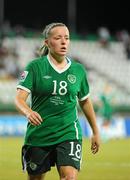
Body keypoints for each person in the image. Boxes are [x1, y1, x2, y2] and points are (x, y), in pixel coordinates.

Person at [15, 22, 100, 180]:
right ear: (47, 42)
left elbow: (85, 102)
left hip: (69, 132)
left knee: (69, 177)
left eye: (66, 38)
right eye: (58, 38)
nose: (63, 42)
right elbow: (19, 99)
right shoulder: (34, 67)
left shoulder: (78, 70)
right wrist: (28, 112)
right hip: (39, 134)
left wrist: (95, 131)